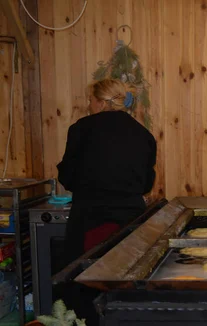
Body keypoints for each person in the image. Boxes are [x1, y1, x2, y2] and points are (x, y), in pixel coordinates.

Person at [56, 79, 157, 325]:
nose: (88, 105)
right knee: (125, 286)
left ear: (100, 102)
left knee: (84, 285)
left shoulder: (81, 128)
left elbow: (68, 176)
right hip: (130, 224)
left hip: (89, 219)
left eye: (90, 100)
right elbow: (146, 183)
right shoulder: (144, 134)